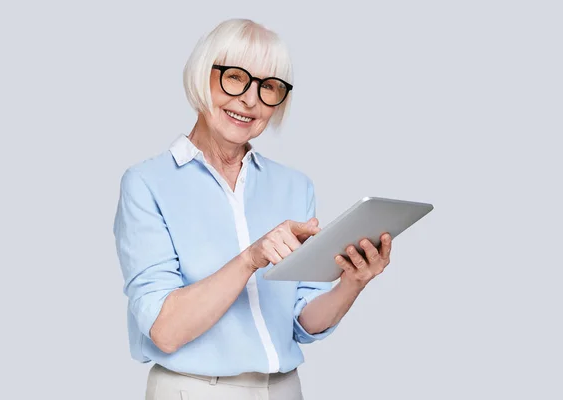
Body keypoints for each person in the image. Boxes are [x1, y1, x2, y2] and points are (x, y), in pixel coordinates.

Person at [113, 18, 393, 400]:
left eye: (269, 87)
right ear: (201, 76)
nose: (250, 99)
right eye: (235, 77)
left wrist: (352, 283)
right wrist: (251, 258)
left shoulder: (295, 186)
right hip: (192, 392)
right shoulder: (146, 184)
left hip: (282, 390)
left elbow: (303, 321)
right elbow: (165, 330)